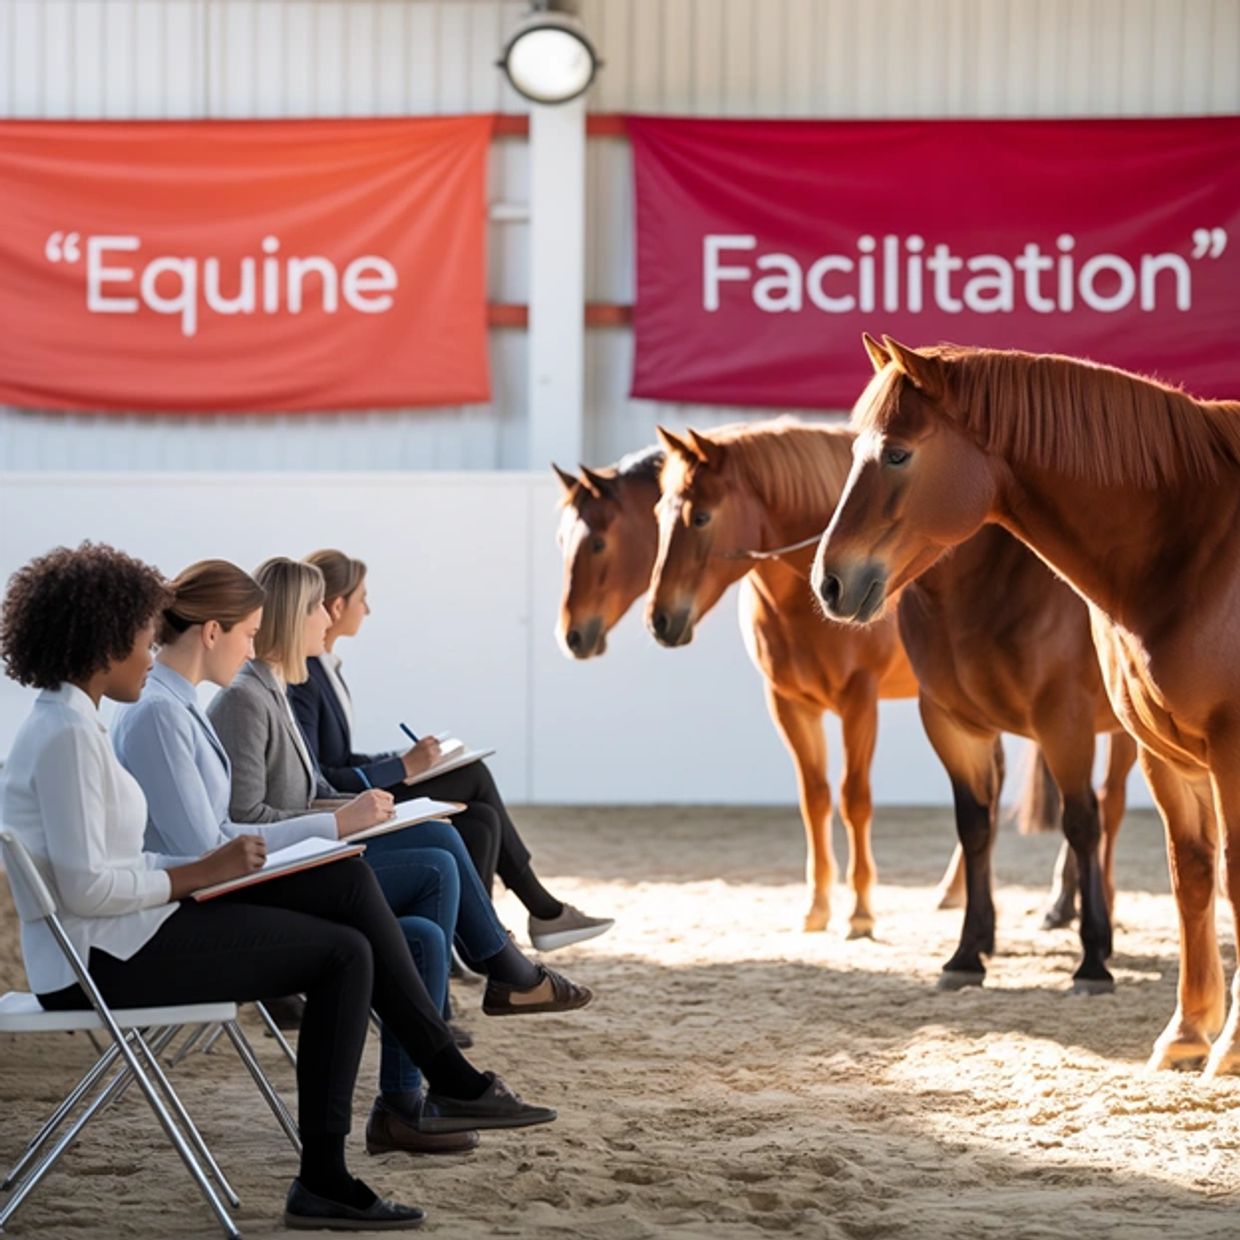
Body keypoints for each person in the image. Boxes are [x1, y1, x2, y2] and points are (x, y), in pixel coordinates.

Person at [0, 543, 555, 1233]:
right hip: (103, 961)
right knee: (344, 944)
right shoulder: (68, 737)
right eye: (143, 639)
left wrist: (237, 859)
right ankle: (401, 1113)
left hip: (123, 939)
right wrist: (194, 876)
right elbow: (86, 888)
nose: (150, 651)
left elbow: (154, 855)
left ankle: (404, 1111)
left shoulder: (70, 724)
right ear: (101, 640)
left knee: (349, 908)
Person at [111, 558, 471, 1155]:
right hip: (187, 912)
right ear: (212, 632)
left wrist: (332, 827)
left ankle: (421, 1090)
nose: (253, 647)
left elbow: (219, 834)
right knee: (358, 913)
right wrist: (332, 827)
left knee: (397, 919)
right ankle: (438, 1076)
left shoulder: (177, 707)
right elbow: (212, 848)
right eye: (249, 634)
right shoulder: (161, 712)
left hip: (200, 893)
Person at [206, 558, 593, 1023]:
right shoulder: (245, 700)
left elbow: (315, 786)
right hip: (288, 869)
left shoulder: (274, 690)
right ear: (294, 617)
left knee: (442, 835)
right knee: (439, 855)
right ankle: (503, 972)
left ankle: (490, 986)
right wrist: (342, 819)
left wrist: (378, 810)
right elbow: (243, 821)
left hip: (310, 851)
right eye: (318, 608)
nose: (329, 618)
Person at [291, 549, 613, 953]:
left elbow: (340, 757)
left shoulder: (324, 670)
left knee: (480, 821)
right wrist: (404, 767)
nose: (368, 610)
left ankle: (477, 941)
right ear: (337, 607)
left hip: (356, 790)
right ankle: (539, 913)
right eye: (362, 599)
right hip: (343, 806)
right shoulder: (303, 679)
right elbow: (319, 776)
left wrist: (404, 759)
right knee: (473, 776)